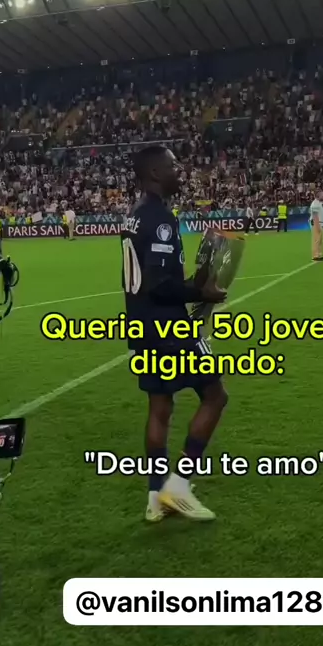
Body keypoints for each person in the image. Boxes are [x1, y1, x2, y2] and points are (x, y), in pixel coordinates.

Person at [122, 145, 228, 523]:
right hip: (169, 328)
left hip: (141, 326)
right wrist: (202, 293)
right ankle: (179, 486)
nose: (179, 171)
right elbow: (160, 285)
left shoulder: (135, 216)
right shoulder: (161, 220)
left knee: (160, 407)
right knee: (215, 397)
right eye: (173, 166)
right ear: (154, 173)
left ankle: (155, 496)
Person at [310, 189, 323, 261]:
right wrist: (317, 226)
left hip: (321, 223)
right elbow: (315, 216)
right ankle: (315, 255)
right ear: (318, 195)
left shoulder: (319, 203)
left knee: (320, 240)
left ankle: (320, 254)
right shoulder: (315, 204)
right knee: (316, 240)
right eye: (322, 194)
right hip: (317, 223)